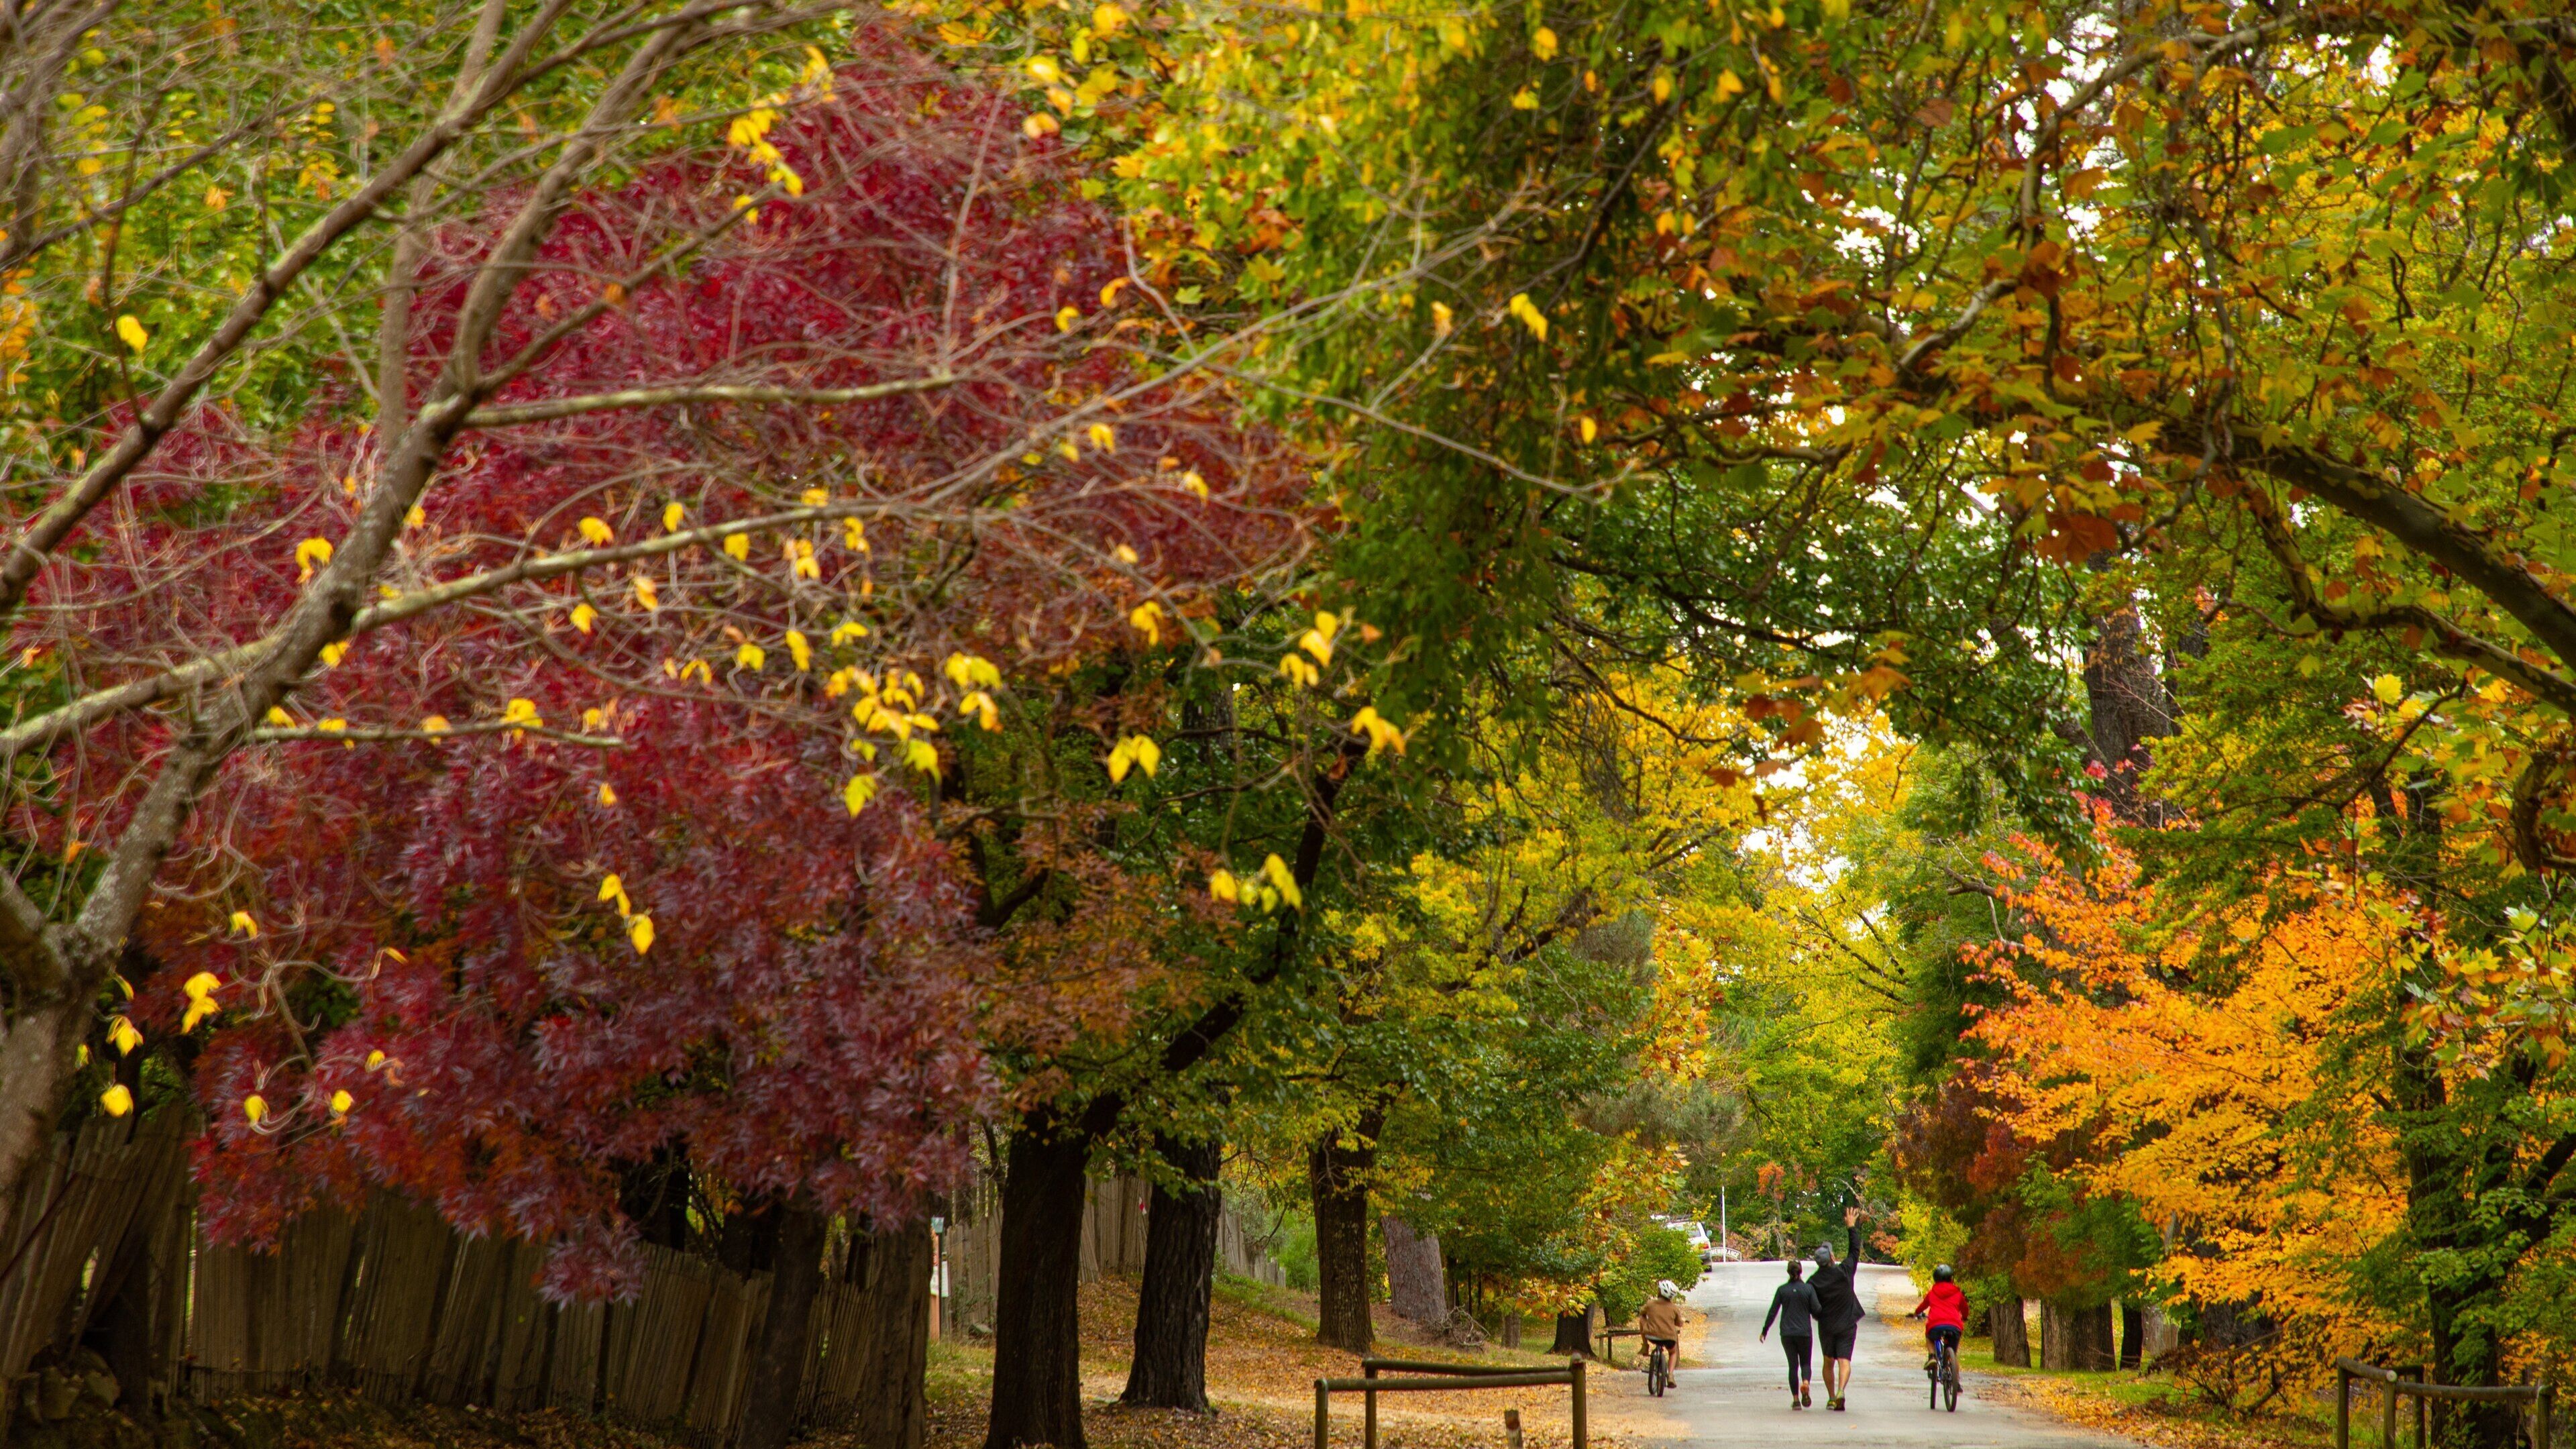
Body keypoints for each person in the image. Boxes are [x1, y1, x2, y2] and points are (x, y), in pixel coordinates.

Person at [1807, 1205, 1865, 1411]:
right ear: (1832, 1258)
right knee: (1844, 1360)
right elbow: (1855, 1251)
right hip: (1848, 1323)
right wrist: (1851, 1227)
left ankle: (1832, 1397)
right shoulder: (1845, 1272)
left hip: (1827, 1326)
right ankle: (1842, 1390)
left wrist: (1818, 1315)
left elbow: (1811, 1305)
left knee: (1828, 1361)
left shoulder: (1813, 1282)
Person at [1758, 1258, 1823, 1408]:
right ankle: (1805, 1383)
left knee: (1793, 1366)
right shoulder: (1808, 1289)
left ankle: (1795, 1400)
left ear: (1788, 1272)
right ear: (1801, 1272)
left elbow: (1773, 1311)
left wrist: (1764, 1331)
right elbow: (1817, 1310)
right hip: (1804, 1332)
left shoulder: (1782, 1290)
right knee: (1806, 1362)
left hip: (1787, 1333)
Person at [1909, 1263, 1968, 1377]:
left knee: (1929, 1337)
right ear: (1951, 1278)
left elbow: (1923, 1306)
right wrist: (1965, 1317)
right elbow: (1965, 1308)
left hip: (1935, 1324)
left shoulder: (1932, 1293)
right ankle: (1956, 1380)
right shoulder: (1957, 1293)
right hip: (1954, 1325)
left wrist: (1916, 1313)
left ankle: (1932, 1356)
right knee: (1953, 1353)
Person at [1638, 1279, 1690, 1384]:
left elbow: (1641, 1312)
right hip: (1669, 1338)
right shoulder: (1674, 1308)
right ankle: (1670, 1375)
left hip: (1651, 1335)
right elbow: (1679, 1324)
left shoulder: (1651, 1304)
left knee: (1641, 1319)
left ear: (1660, 1291)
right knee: (1673, 1352)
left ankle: (1645, 1346)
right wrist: (1682, 1320)